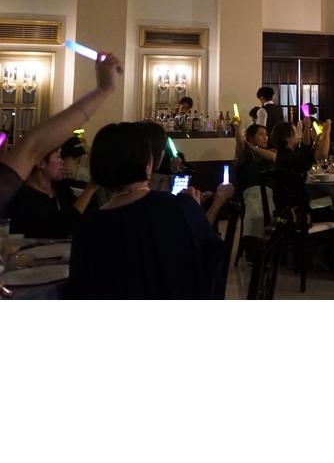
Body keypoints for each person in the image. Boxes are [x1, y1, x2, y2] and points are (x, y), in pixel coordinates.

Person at [68, 122, 227, 299]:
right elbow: (210, 264)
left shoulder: (88, 227)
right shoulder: (179, 207)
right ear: (149, 163)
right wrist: (199, 210)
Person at [0, 53, 122, 220]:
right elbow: (33, 145)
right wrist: (103, 90)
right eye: (57, 155)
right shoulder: (24, 198)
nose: (62, 161)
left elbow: (33, 145)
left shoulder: (60, 188)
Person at [270, 117, 331, 214]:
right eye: (295, 133)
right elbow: (322, 154)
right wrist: (326, 131)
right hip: (301, 209)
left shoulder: (282, 155)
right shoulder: (296, 157)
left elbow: (305, 146)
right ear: (287, 138)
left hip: (285, 206)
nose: (298, 136)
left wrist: (307, 127)